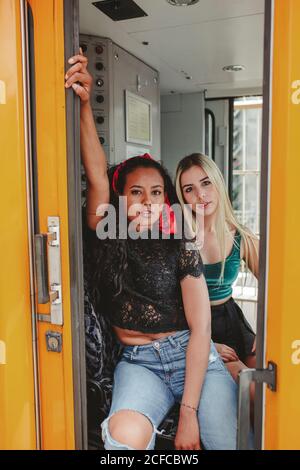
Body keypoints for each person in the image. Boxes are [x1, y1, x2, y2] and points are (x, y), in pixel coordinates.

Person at [65, 52, 238, 451]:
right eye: (136, 192)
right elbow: (96, 171)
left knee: (224, 442)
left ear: (166, 200)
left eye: (157, 193)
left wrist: (189, 415)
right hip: (139, 365)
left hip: (194, 358)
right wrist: (85, 105)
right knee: (122, 441)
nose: (147, 202)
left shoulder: (181, 243)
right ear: (120, 198)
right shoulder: (106, 233)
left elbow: (201, 329)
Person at [175, 153, 259, 388]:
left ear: (217, 183)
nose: (201, 195)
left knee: (273, 377)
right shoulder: (178, 240)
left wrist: (268, 329)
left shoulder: (241, 236)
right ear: (182, 197)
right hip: (192, 327)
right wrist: (206, 344)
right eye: (189, 189)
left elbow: (279, 282)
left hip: (232, 319)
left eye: (206, 183)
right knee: (250, 387)